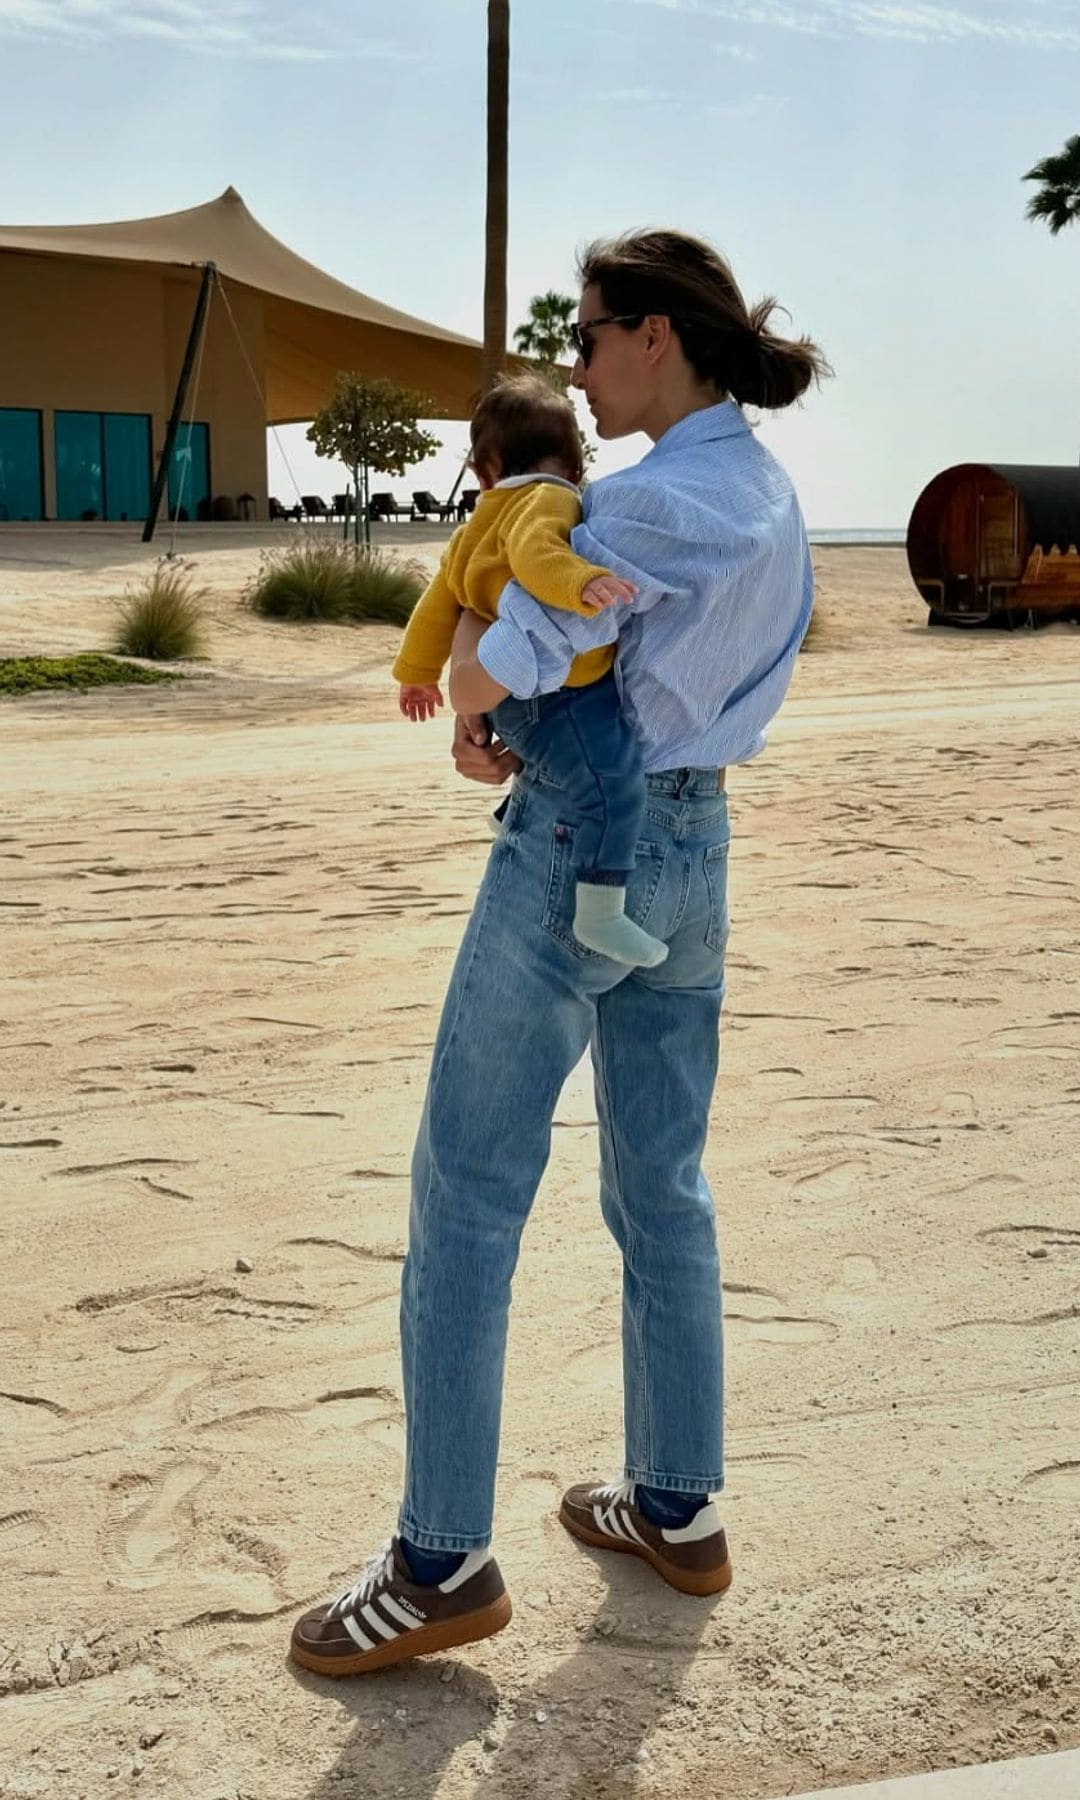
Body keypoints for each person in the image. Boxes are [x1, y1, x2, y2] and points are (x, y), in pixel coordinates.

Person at [290, 229, 828, 1679]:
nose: (578, 370)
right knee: (663, 1181)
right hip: (702, 840)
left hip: (577, 844)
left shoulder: (644, 504)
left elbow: (500, 660)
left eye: (588, 338)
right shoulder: (769, 495)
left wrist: (471, 700)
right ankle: (677, 1504)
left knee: (467, 1186)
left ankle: (439, 1560)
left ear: (659, 335)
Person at [394, 372, 666, 969]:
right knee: (612, 780)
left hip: (508, 700)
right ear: (574, 464)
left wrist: (415, 674)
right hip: (561, 692)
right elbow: (539, 555)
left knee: (565, 769)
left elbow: (439, 603)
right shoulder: (549, 499)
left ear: (481, 471)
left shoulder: (472, 527)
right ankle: (600, 910)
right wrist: (584, 581)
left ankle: (509, 819)